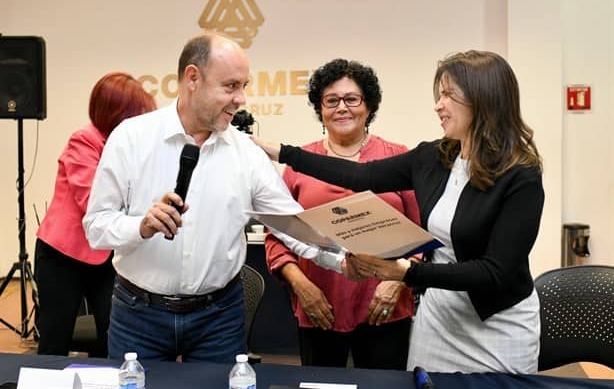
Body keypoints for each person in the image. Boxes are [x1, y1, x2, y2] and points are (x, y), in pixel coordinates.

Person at [253, 50, 544, 374]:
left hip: (496, 323)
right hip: (440, 318)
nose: (438, 105)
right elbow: (359, 175)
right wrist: (281, 152)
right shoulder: (436, 157)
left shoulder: (521, 175)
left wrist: (405, 274)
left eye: (448, 94)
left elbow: (495, 273)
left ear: (482, 99)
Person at [82, 33, 354, 363]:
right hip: (138, 316)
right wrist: (141, 226)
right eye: (230, 86)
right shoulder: (131, 138)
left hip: (218, 320)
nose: (241, 99)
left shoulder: (246, 154)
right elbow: (96, 228)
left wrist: (346, 258)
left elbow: (293, 226)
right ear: (192, 78)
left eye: (244, 86)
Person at [265, 58, 420, 370]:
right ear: (320, 108)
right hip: (319, 306)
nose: (342, 108)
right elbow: (277, 237)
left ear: (369, 106)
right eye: (331, 100)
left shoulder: (398, 158)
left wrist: (398, 283)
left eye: (352, 99)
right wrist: (301, 286)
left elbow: (423, 234)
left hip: (385, 306)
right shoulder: (299, 164)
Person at [35, 72, 156, 356]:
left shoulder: (132, 147)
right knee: (55, 337)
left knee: (112, 338)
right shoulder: (84, 141)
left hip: (106, 257)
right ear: (120, 113)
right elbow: (94, 200)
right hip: (63, 257)